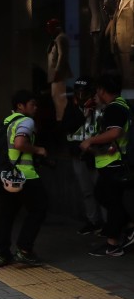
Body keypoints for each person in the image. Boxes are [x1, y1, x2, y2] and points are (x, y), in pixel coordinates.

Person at [81, 72, 134, 257]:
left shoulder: (114, 108)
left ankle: (113, 245)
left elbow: (114, 133)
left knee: (112, 202)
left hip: (113, 162)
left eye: (97, 90)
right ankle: (129, 228)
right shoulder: (122, 104)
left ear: (102, 90)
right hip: (114, 161)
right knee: (103, 195)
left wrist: (91, 141)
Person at [0, 90, 48, 267]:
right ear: (20, 106)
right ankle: (24, 250)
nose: (35, 107)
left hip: (6, 175)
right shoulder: (26, 121)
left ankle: (1, 255)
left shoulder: (6, 121)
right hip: (25, 175)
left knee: (6, 215)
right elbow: (19, 144)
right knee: (39, 208)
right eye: (32, 104)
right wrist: (38, 149)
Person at [60, 76, 105, 235]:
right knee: (87, 192)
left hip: (97, 155)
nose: (80, 96)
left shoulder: (100, 107)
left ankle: (108, 224)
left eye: (84, 92)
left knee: (102, 191)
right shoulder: (72, 107)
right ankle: (93, 221)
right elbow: (66, 127)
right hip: (78, 156)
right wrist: (83, 115)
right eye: (78, 92)